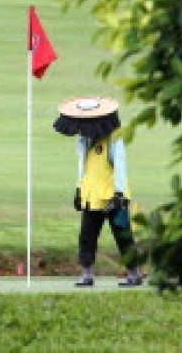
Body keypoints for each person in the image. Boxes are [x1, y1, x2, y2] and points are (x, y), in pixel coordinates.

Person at [53, 96, 144, 288]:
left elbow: (120, 166)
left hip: (113, 198)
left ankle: (134, 273)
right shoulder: (84, 140)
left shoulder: (113, 139)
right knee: (87, 236)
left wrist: (119, 194)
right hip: (91, 197)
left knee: (123, 235)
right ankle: (86, 274)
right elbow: (83, 166)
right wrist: (79, 190)